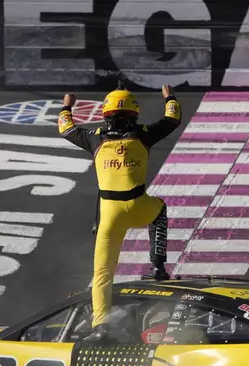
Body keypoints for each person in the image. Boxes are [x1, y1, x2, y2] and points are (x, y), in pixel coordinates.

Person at [57, 82, 182, 342]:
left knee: (102, 274)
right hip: (138, 205)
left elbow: (65, 128)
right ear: (134, 113)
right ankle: (158, 266)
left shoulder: (94, 137)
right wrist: (169, 96)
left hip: (109, 216)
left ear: (106, 113)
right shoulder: (144, 134)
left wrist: (67, 105)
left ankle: (101, 324)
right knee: (159, 210)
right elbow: (173, 117)